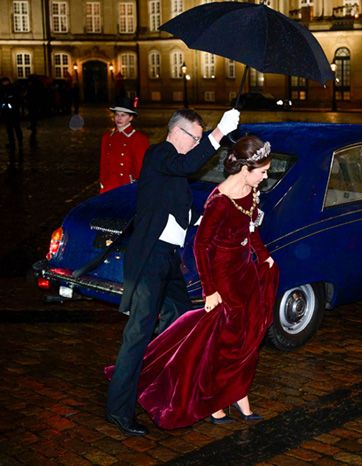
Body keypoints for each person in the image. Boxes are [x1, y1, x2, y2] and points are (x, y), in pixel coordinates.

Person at [106, 135, 278, 429]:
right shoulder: (219, 201)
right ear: (245, 169)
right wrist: (210, 290)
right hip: (223, 276)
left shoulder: (249, 193)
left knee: (247, 337)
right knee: (227, 341)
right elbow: (201, 246)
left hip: (244, 272)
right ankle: (215, 402)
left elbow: (250, 231)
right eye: (262, 172)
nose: (265, 177)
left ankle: (238, 394)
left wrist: (263, 257)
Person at [99, 96, 149, 193]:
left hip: (127, 186)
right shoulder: (107, 137)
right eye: (117, 114)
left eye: (123, 115)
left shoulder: (139, 139)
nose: (119, 118)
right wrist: (102, 182)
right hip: (108, 186)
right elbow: (103, 164)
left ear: (131, 118)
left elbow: (142, 168)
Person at [1, 77, 23, 166]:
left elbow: (17, 100)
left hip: (13, 112)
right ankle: (12, 143)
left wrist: (11, 103)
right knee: (9, 130)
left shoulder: (13, 89)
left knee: (16, 128)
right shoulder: (2, 90)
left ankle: (20, 141)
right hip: (6, 113)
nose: (4, 83)